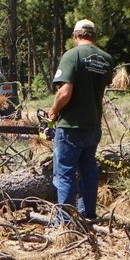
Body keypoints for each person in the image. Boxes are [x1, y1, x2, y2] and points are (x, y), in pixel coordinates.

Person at [48, 19, 114, 224]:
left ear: (75, 36)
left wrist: (52, 112)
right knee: (88, 170)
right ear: (94, 36)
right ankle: (88, 215)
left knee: (65, 174)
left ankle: (65, 223)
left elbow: (65, 92)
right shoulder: (106, 59)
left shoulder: (72, 56)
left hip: (70, 126)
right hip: (93, 125)